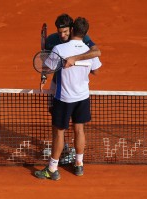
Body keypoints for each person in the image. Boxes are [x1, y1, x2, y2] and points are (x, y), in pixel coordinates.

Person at [35, 17, 102, 180]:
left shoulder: (59, 48)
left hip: (64, 97)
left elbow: (48, 68)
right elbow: (96, 71)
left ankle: (52, 169)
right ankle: (79, 164)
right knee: (79, 129)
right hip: (83, 96)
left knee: (58, 132)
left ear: (72, 30)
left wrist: (49, 58)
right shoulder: (88, 50)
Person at [40, 13, 101, 91]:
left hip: (79, 86)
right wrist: (44, 76)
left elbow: (97, 52)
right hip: (57, 85)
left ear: (71, 29)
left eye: (65, 31)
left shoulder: (82, 37)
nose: (62, 35)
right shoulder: (51, 40)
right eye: (59, 32)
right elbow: (48, 66)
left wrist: (74, 59)